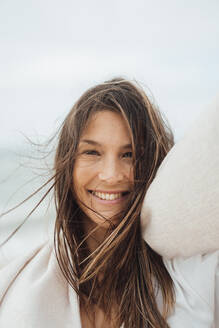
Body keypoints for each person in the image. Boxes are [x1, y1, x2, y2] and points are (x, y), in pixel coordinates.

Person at [0, 78, 218, 328]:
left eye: (129, 155)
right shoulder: (16, 286)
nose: (111, 174)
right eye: (92, 152)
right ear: (67, 164)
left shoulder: (193, 279)